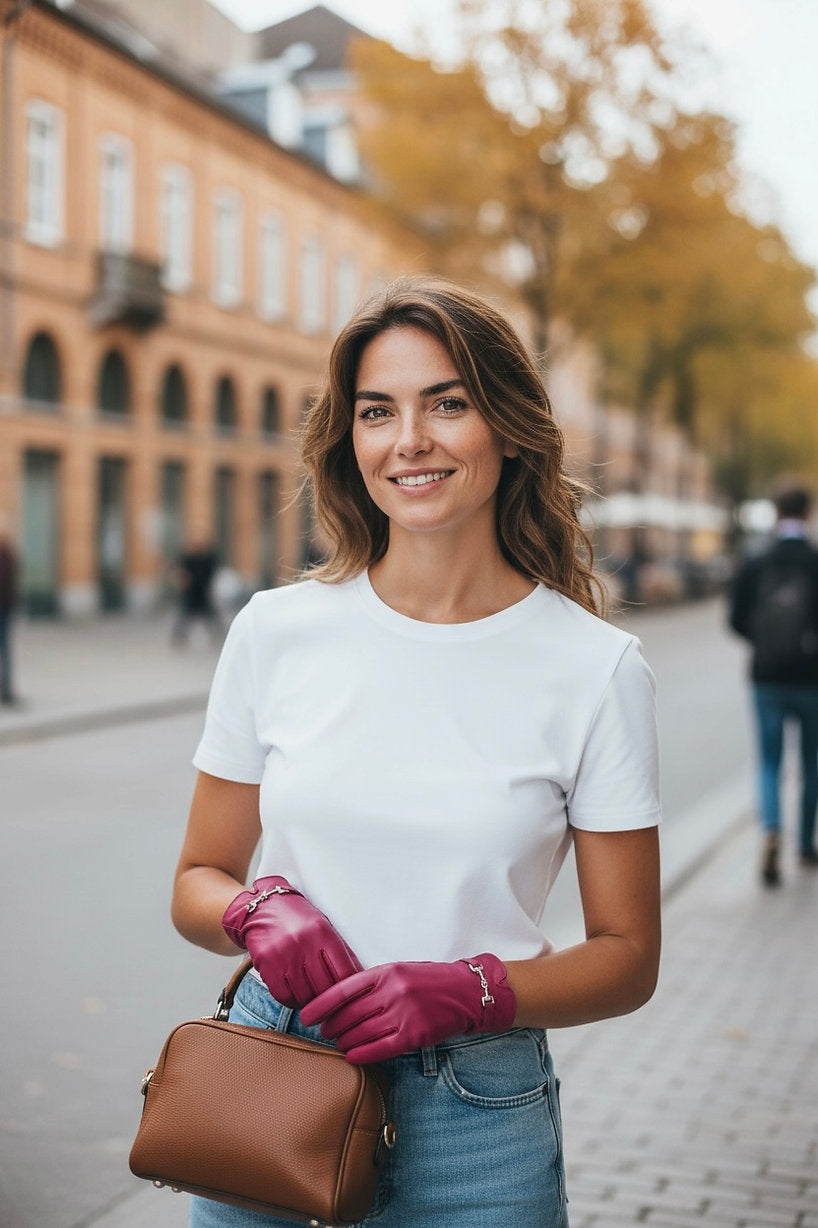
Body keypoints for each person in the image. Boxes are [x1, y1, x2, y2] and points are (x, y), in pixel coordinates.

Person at [171, 277, 662, 1228]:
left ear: (509, 428)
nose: (409, 440)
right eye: (377, 411)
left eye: (447, 403)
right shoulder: (275, 631)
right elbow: (197, 878)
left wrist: (469, 992)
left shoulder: (596, 669)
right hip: (275, 1073)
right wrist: (256, 909)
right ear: (349, 440)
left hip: (477, 1121)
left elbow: (628, 957)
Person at [729, 483, 818, 886]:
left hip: (767, 677)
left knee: (769, 761)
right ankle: (806, 845)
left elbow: (735, 619)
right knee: (812, 763)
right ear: (808, 513)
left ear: (777, 512)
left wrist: (764, 642)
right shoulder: (815, 561)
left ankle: (771, 832)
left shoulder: (756, 560)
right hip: (812, 679)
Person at [170, 539, 222, 645]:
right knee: (185, 617)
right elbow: (180, 573)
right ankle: (179, 637)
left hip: (202, 593)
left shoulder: (207, 559)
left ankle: (220, 635)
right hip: (192, 593)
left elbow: (212, 572)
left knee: (210, 617)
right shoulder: (188, 559)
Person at [0, 525, 19, 706]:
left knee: (4, 650)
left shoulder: (6, 556)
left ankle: (6, 689)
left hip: (3, 609)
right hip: (6, 608)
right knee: (5, 650)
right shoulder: (9, 555)